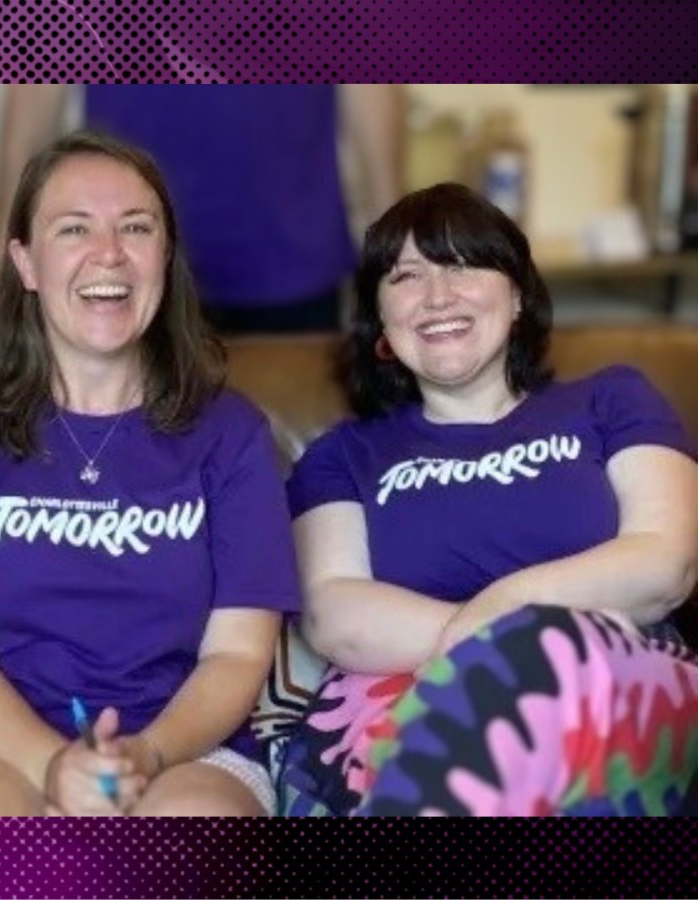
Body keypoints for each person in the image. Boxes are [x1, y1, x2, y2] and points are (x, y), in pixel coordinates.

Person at [0, 131, 298, 817]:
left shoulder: (233, 436)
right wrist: (54, 768)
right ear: (25, 262)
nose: (109, 253)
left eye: (136, 228)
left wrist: (148, 754)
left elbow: (235, 657)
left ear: (164, 256)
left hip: (185, 750)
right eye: (74, 229)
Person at [280, 182, 698, 816]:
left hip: (619, 683)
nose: (437, 295)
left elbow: (665, 564)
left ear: (519, 295)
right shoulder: (343, 456)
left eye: (462, 264)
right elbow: (335, 614)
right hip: (397, 700)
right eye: (406, 277)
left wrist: (508, 611)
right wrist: (504, 650)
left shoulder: (611, 400)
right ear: (382, 326)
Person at [0, 85, 404, 333]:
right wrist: (2, 265)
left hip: (290, 260)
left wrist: (398, 258)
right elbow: (31, 114)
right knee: (124, 462)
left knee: (295, 458)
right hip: (130, 259)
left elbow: (370, 88)